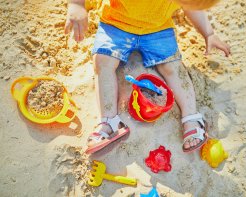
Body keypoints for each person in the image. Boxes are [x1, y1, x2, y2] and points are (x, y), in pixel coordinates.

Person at [64, 0, 231, 154]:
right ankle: (109, 122)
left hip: (159, 29)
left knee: (173, 67)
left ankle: (191, 118)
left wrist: (208, 34)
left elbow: (191, 6)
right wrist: (77, 4)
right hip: (116, 24)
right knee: (102, 61)